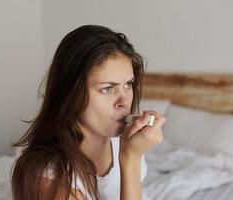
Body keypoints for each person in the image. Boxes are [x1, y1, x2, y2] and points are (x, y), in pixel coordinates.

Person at [11, 25, 165, 200]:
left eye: (128, 85)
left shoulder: (122, 143)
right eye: (107, 89)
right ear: (71, 94)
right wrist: (131, 159)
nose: (124, 102)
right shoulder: (46, 177)